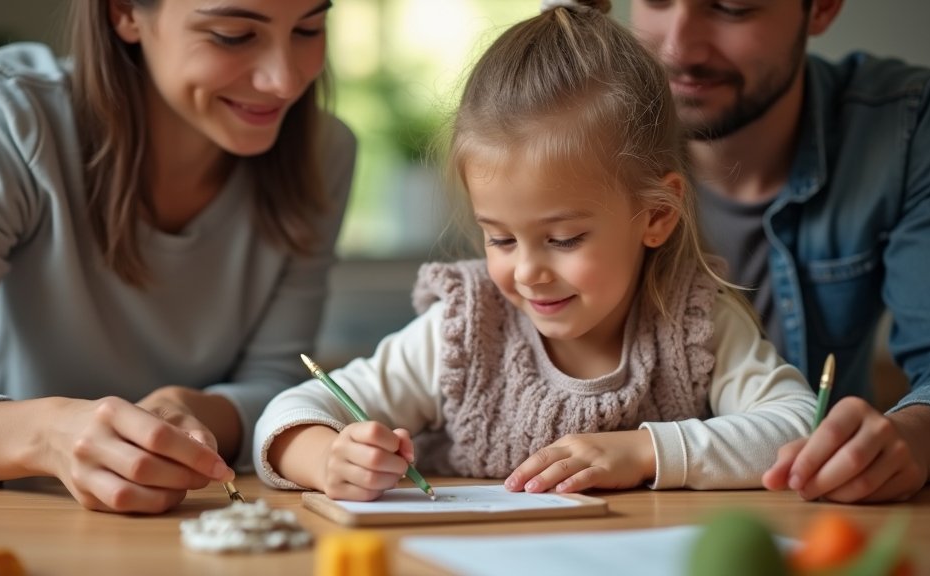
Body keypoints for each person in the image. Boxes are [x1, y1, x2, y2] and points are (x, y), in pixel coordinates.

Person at [253, 0, 816, 502]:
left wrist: (644, 452)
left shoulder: (695, 320)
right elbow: (287, 415)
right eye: (499, 238)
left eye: (564, 239)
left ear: (657, 216)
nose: (526, 272)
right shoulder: (465, 328)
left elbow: (798, 427)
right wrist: (330, 459)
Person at [0, 0, 355, 514]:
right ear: (124, 12)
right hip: (20, 521)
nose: (284, 80)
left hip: (199, 522)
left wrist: (197, 408)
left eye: (309, 28)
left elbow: (281, 384)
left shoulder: (324, 154)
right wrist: (50, 437)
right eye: (233, 35)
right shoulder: (8, 122)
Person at [629, 0, 930, 503]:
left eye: (731, 7)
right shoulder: (573, 128)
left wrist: (913, 440)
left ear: (821, 10)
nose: (679, 47)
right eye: (657, 0)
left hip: (811, 521)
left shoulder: (908, 126)